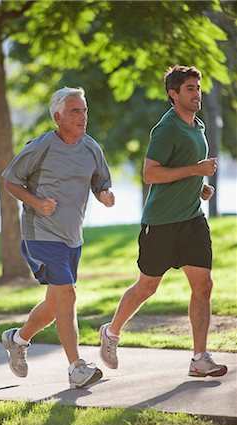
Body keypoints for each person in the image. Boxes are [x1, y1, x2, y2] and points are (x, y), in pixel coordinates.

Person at [99, 65, 228, 378]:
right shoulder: (166, 128)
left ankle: (199, 358)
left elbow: (187, 169)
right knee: (147, 287)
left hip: (193, 221)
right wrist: (195, 171)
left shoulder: (198, 126)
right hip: (161, 223)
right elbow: (151, 173)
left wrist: (201, 186)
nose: (196, 94)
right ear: (174, 94)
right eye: (190, 89)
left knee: (203, 286)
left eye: (198, 88)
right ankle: (112, 332)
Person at [1, 87, 115, 389]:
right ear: (58, 117)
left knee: (55, 305)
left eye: (85, 110)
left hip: (72, 238)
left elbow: (101, 181)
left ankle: (18, 338)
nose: (83, 117)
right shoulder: (41, 147)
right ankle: (76, 367)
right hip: (41, 234)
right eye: (75, 111)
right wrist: (37, 203)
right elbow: (11, 180)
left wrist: (104, 194)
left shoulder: (91, 148)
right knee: (67, 296)